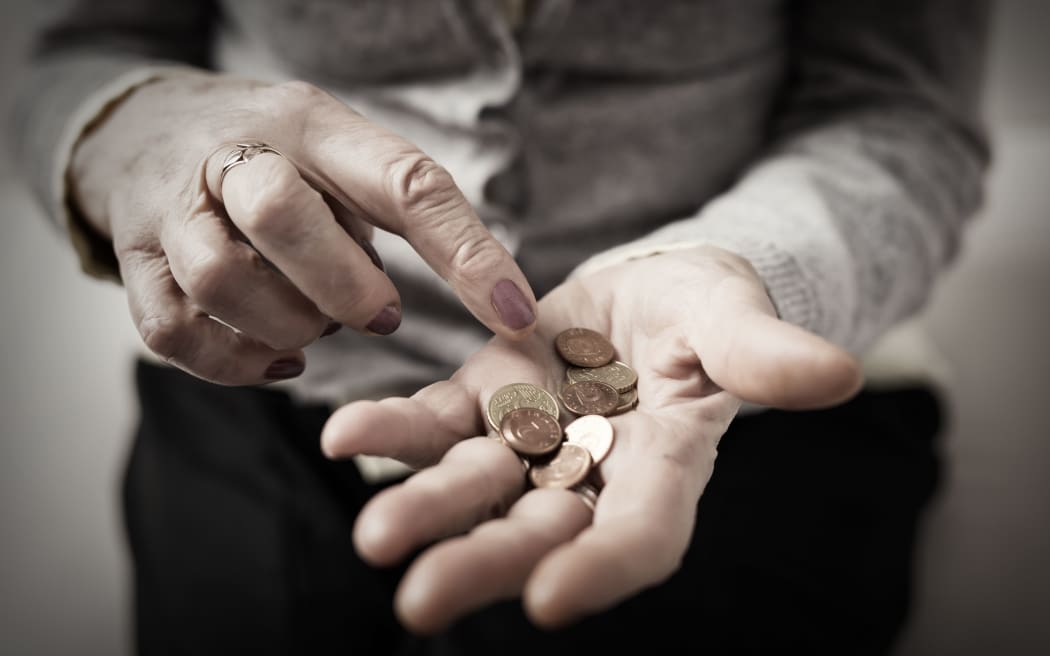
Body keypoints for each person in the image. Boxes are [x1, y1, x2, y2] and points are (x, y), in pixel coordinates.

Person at [13, 0, 990, 654]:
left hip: (712, 405)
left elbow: (899, 109)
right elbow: (76, 51)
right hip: (265, 384)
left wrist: (751, 264)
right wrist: (133, 129)